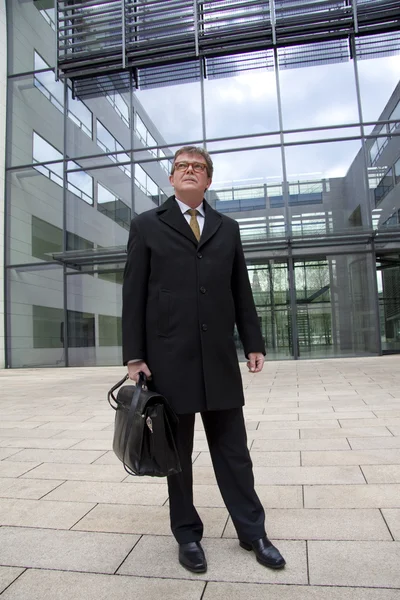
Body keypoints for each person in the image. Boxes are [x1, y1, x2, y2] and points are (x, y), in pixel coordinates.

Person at [122, 146, 285, 574]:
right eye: (183, 167)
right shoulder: (145, 226)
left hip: (218, 359)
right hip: (167, 358)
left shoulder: (227, 229)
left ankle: (253, 532)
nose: (190, 172)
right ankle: (187, 535)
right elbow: (133, 295)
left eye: (199, 168)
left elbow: (240, 289)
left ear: (208, 181)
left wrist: (254, 342)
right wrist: (134, 356)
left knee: (233, 451)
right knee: (176, 454)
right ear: (172, 178)